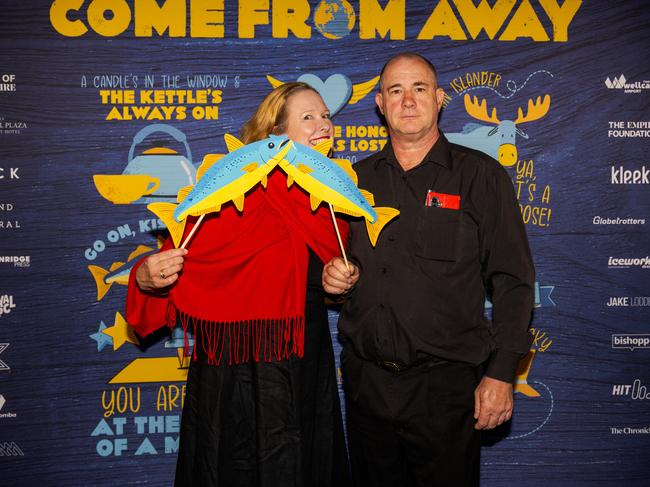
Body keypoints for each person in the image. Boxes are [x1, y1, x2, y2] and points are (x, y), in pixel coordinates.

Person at [322, 52, 535, 487]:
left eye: (419, 89)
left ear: (439, 99)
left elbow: (513, 282)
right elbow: (335, 275)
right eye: (395, 91)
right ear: (380, 104)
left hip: (448, 389)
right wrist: (331, 283)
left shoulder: (482, 177)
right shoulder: (350, 183)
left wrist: (501, 374)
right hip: (367, 385)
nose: (408, 100)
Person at [127, 82, 351, 487]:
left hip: (303, 362)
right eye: (309, 117)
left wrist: (343, 280)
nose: (324, 125)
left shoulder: (333, 198)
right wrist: (146, 277)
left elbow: (330, 276)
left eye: (326, 116)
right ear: (275, 135)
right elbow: (177, 251)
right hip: (233, 369)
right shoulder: (233, 185)